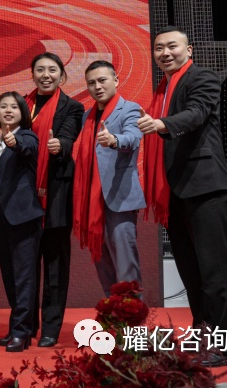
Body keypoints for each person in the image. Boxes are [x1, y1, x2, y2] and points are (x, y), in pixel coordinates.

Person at [138, 26, 227, 367]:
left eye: (172, 46)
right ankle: (203, 337)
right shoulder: (163, 89)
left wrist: (162, 124)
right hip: (175, 191)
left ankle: (225, 348)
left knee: (214, 271)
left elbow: (196, 114)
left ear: (189, 50)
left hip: (204, 186)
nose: (165, 53)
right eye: (159, 48)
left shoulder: (202, 78)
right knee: (191, 273)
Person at [24, 52, 84, 347]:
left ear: (62, 76)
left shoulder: (72, 107)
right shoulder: (21, 105)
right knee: (26, 266)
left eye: (52, 70)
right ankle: (25, 325)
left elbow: (69, 137)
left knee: (55, 266)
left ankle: (50, 327)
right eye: (40, 70)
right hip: (23, 196)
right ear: (32, 75)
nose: (45, 75)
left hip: (56, 194)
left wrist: (60, 145)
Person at [72, 60, 145, 296]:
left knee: (126, 266)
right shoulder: (87, 117)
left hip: (119, 198)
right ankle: (114, 314)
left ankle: (132, 316)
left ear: (116, 80)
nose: (97, 87)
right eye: (91, 83)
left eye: (102, 80)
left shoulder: (130, 109)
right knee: (103, 267)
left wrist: (114, 140)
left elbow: (133, 137)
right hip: (93, 201)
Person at [0, 92, 43, 353]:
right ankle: (18, 327)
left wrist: (15, 142)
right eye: (3, 106)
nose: (8, 110)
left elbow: (28, 148)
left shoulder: (26, 136)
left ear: (23, 112)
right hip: (0, 215)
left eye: (14, 106)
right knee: (10, 276)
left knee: (24, 276)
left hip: (23, 216)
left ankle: (22, 332)